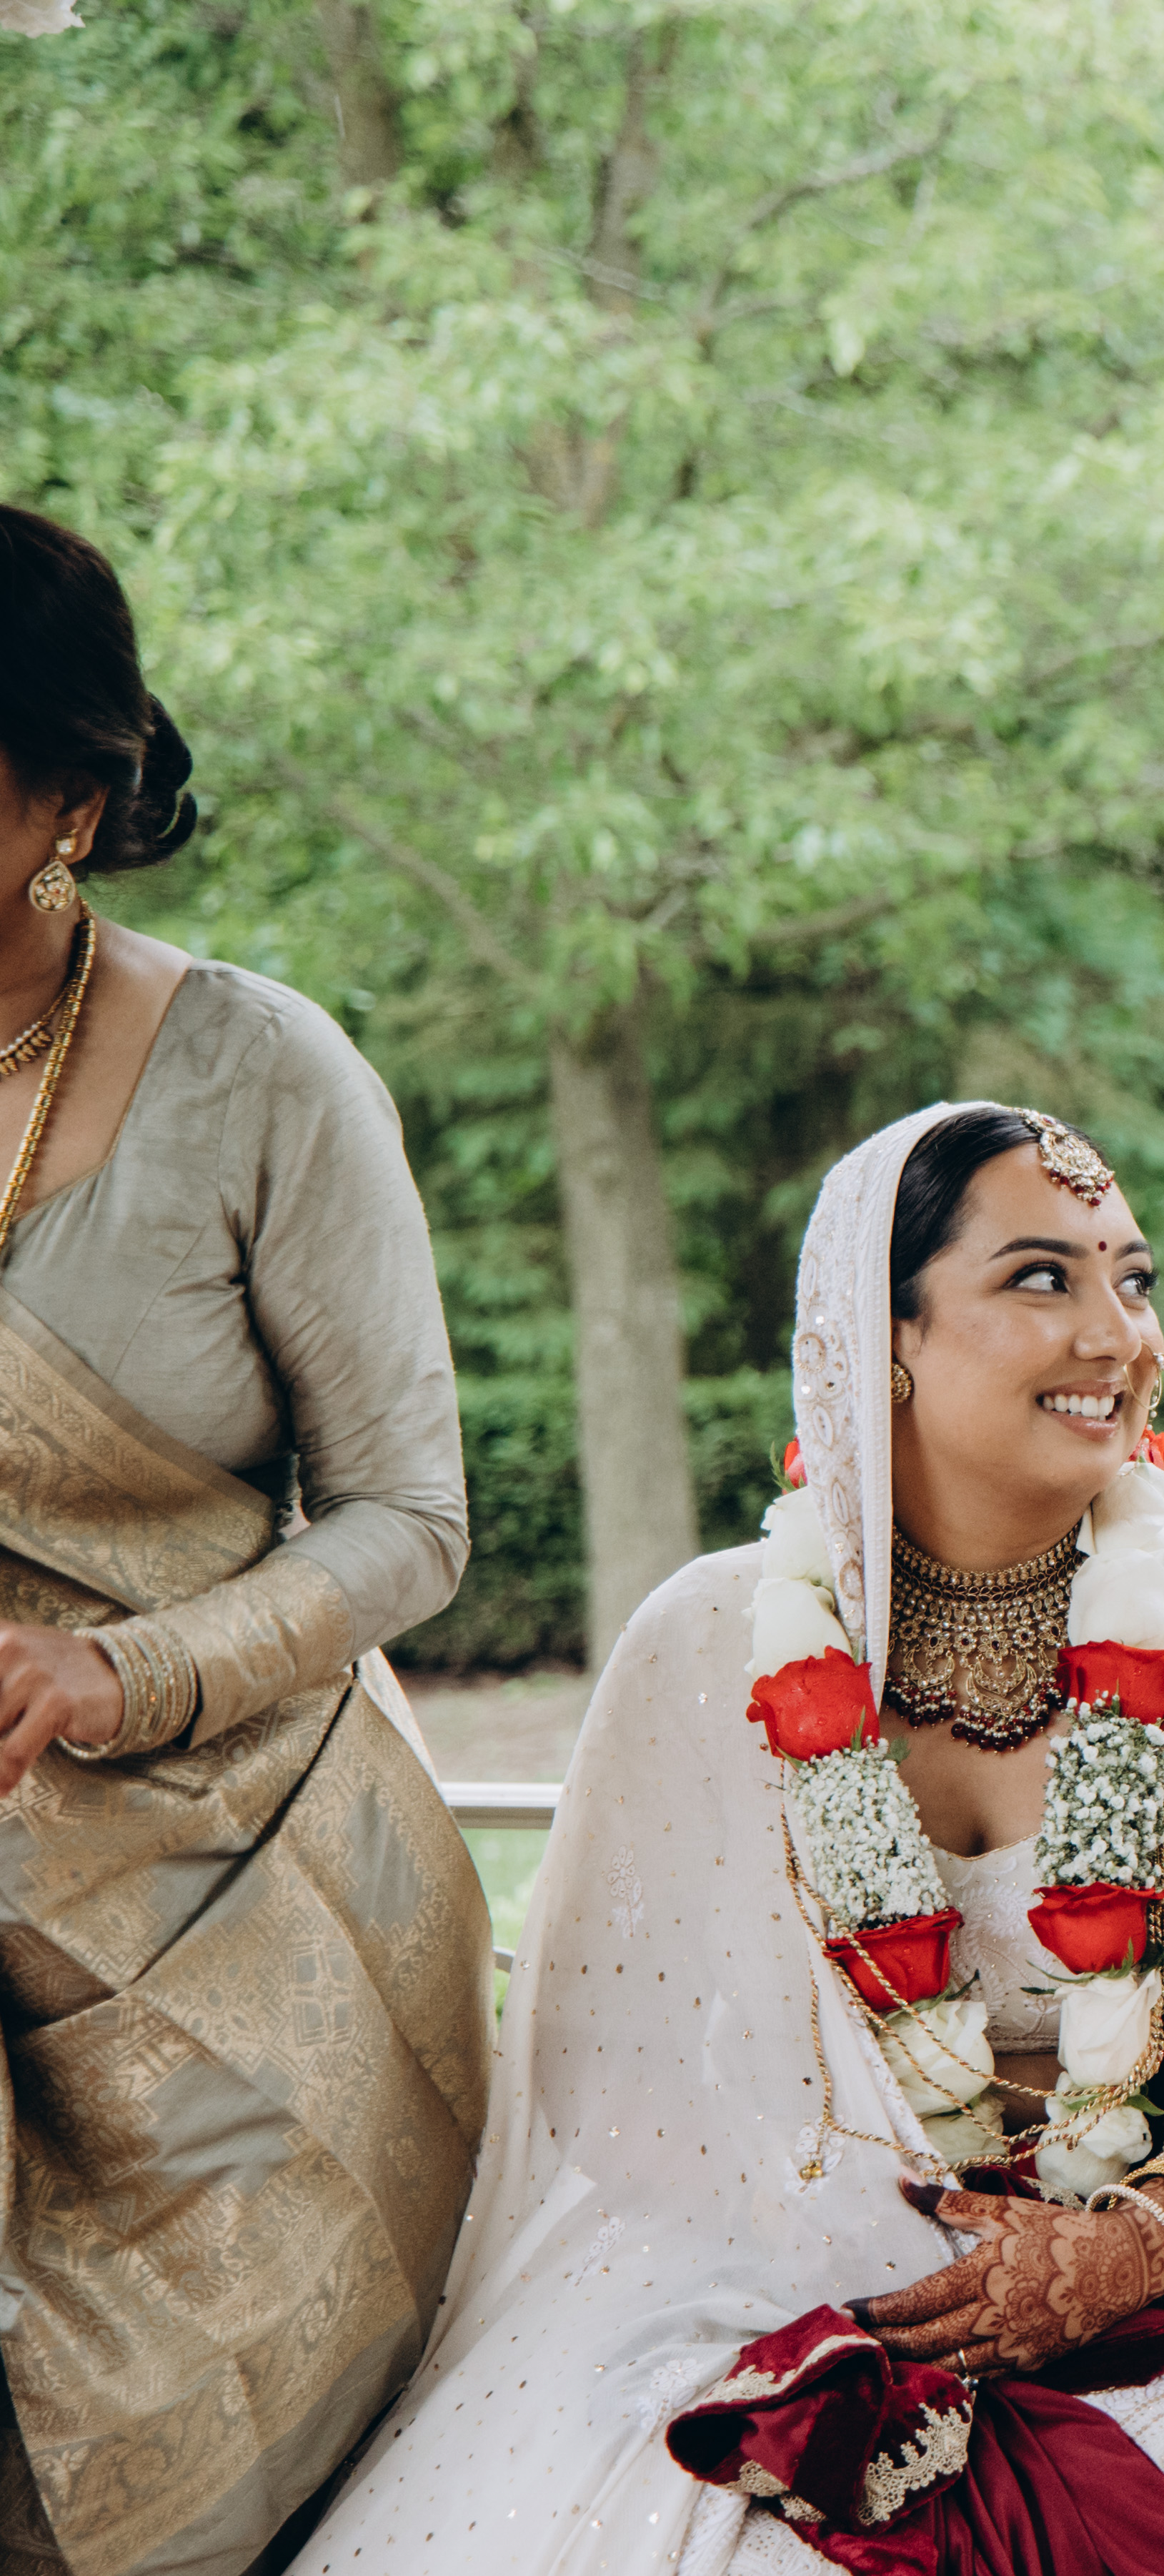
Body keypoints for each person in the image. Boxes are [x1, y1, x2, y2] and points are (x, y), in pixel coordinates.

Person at [299, 1103, 1164, 2575]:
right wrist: (859, 2240)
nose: (1116, 1334)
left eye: (1134, 1279)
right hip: (796, 2278)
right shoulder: (711, 1642)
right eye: (1042, 1279)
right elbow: (629, 2094)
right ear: (884, 1333)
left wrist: (1134, 2240)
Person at [0, 503, 489, 2575]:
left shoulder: (260, 1073)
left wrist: (118, 1671)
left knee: (144, 2464)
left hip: (226, 1893)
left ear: (72, 800)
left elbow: (412, 1518)